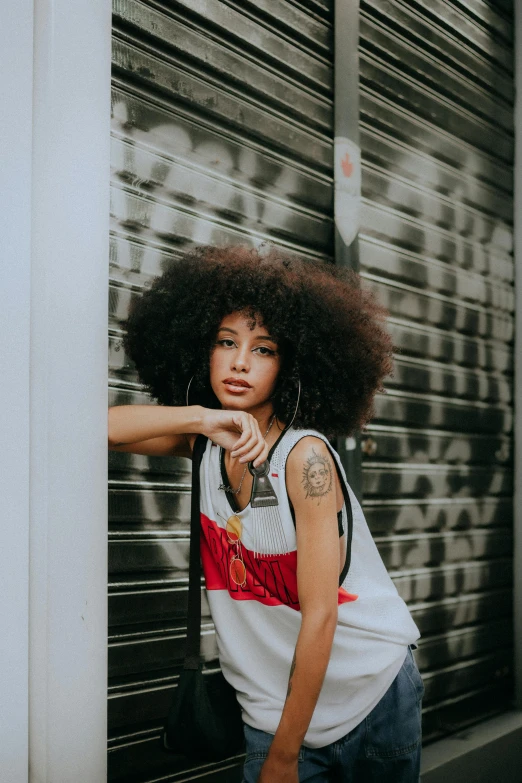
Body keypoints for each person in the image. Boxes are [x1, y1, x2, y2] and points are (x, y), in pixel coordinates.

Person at [108, 245, 424, 782]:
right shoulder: (204, 443)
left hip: (369, 696)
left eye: (264, 349)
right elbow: (103, 427)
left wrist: (285, 754)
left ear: (290, 365)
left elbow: (320, 613)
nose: (239, 362)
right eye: (226, 342)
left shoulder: (304, 459)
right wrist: (205, 417)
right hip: (269, 710)